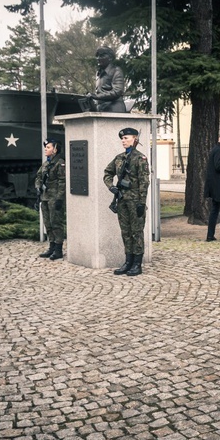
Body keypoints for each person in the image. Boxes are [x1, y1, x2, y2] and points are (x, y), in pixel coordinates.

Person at [103, 127, 150, 276]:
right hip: (122, 200)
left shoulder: (140, 158)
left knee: (136, 232)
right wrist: (111, 187)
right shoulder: (119, 158)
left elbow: (144, 182)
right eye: (122, 139)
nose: (123, 141)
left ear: (135, 139)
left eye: (126, 138)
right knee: (126, 232)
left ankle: (137, 264)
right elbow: (107, 173)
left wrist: (142, 203)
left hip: (135, 202)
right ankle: (128, 261)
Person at [35, 138, 66, 260]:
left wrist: (59, 199)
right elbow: (38, 176)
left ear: (55, 149)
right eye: (45, 147)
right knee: (48, 223)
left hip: (55, 198)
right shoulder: (46, 164)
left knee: (56, 223)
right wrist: (38, 188)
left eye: (48, 147)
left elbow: (62, 182)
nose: (45, 149)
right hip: (45, 197)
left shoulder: (60, 163)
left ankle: (58, 250)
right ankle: (51, 247)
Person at [88, 46, 126, 113]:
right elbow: (100, 91)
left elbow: (117, 91)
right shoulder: (98, 73)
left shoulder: (116, 71)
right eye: (97, 56)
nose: (98, 58)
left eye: (102, 56)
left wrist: (97, 96)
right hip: (101, 109)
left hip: (114, 109)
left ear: (110, 58)